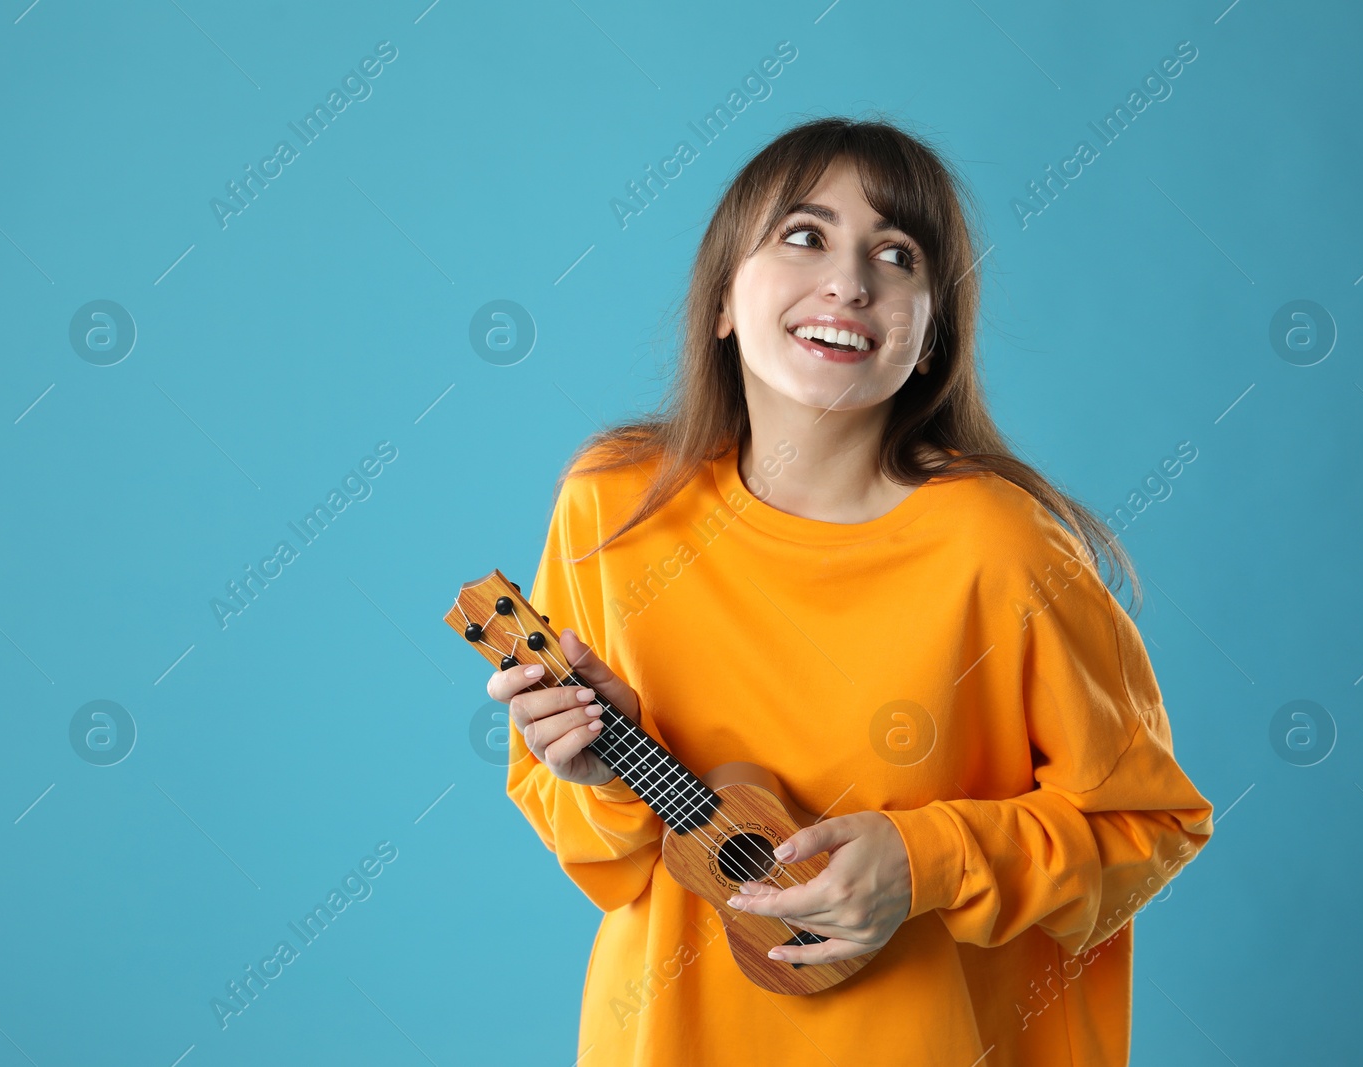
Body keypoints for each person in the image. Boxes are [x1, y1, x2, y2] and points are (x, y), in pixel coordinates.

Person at [486, 115, 1214, 1067]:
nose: (850, 281)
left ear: (929, 338)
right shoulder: (614, 508)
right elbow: (596, 853)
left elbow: (1147, 824)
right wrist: (600, 778)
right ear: (721, 300)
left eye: (898, 254)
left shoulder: (1004, 549)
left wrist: (927, 863)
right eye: (805, 235)